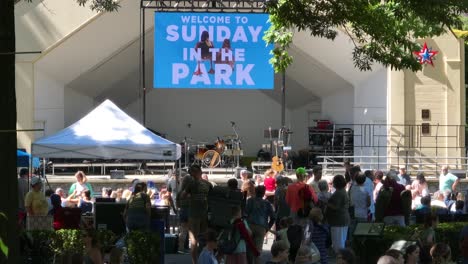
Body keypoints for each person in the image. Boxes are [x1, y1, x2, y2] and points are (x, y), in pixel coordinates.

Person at [181, 164, 213, 264]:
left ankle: (195, 262)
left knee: (194, 240)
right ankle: (203, 260)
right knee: (203, 239)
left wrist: (191, 196)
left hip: (194, 214)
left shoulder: (191, 184)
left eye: (192, 172)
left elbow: (182, 196)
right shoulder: (208, 184)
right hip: (204, 214)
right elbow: (211, 198)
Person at [245, 185, 276, 264]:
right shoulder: (267, 203)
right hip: (261, 227)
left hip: (250, 226)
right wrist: (267, 228)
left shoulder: (250, 201)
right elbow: (273, 217)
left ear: (255, 192)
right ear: (263, 193)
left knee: (249, 249)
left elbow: (245, 214)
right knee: (258, 252)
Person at [325, 175, 350, 253]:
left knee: (338, 244)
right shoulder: (342, 191)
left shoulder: (339, 193)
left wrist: (326, 203)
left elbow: (336, 207)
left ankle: (340, 259)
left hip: (338, 221)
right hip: (342, 220)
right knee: (341, 241)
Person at [176, 172, 192, 254]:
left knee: (183, 230)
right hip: (190, 211)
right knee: (191, 231)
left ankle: (181, 247)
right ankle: (188, 247)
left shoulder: (180, 192)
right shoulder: (192, 192)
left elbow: (177, 203)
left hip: (182, 210)